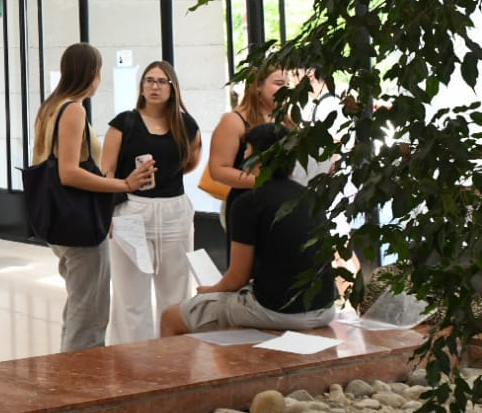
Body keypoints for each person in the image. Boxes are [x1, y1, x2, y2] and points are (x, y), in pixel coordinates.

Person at [30, 43, 155, 353]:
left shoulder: (51, 106)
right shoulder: (73, 109)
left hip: (59, 221)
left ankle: (69, 377)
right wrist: (124, 184)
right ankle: (81, 385)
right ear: (93, 74)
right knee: (89, 314)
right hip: (78, 226)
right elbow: (68, 173)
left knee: (79, 307)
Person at [161, 123, 337, 336]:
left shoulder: (248, 203)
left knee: (170, 317)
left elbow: (237, 277)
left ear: (258, 157)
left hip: (277, 312)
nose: (243, 154)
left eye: (247, 149)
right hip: (325, 308)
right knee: (232, 310)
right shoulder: (309, 196)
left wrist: (208, 290)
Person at [102, 61, 203, 343]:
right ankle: (132, 360)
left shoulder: (186, 124)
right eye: (149, 80)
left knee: (175, 292)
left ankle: (172, 357)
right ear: (141, 86)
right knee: (130, 295)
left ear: (173, 88)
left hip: (174, 211)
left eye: (161, 81)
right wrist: (107, 213)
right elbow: (107, 171)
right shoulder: (124, 123)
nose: (155, 86)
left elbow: (190, 161)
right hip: (131, 211)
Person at [205, 65, 292, 225]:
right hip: (247, 205)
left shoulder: (287, 119)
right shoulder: (234, 120)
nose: (285, 90)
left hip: (282, 204)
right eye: (279, 84)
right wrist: (264, 182)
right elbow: (218, 170)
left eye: (288, 85)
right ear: (258, 85)